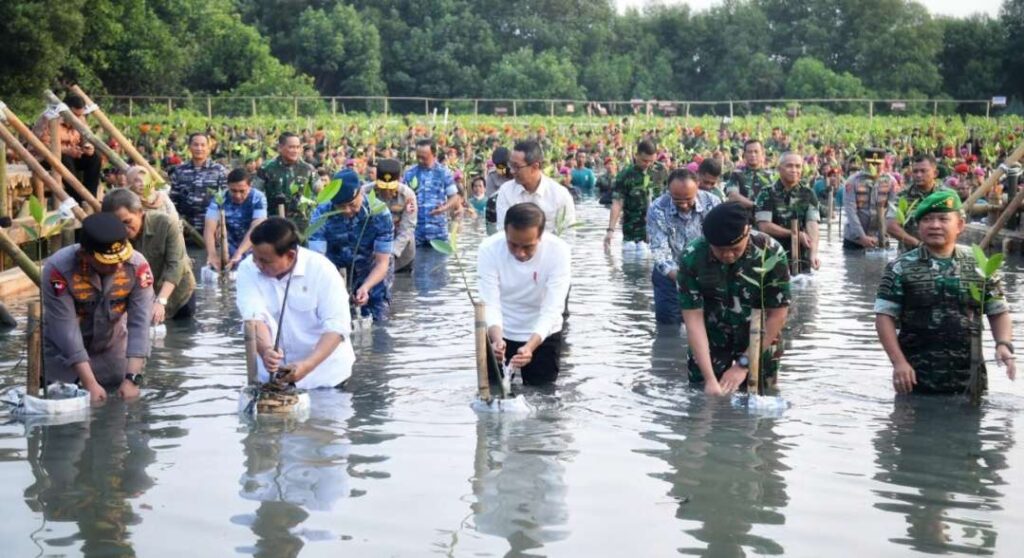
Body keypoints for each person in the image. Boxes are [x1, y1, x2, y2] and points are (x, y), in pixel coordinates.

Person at [875, 190, 1016, 396]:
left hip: (970, 379)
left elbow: (998, 311)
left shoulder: (977, 264)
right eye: (928, 219)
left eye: (943, 219)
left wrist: (1003, 345)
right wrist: (899, 363)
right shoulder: (900, 267)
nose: (935, 225)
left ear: (959, 225)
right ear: (918, 226)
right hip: (916, 378)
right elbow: (884, 317)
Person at [678, 202, 791, 395]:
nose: (728, 255)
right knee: (701, 396)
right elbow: (693, 320)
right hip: (712, 337)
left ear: (747, 232)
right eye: (720, 250)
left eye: (735, 249)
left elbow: (777, 315)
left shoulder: (770, 253)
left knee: (763, 400)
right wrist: (710, 379)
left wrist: (742, 365)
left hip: (760, 336)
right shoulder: (693, 256)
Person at [42, 213, 154, 403]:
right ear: (85, 255)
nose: (119, 266)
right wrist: (89, 383)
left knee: (116, 417)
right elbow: (66, 330)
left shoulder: (137, 266)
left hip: (111, 350)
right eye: (109, 262)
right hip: (62, 355)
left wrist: (133, 379)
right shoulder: (58, 270)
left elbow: (140, 324)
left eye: (122, 257)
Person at [236, 218, 354, 389]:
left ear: (290, 256)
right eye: (255, 258)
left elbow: (337, 327)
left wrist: (307, 365)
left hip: (325, 379)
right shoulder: (248, 269)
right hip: (272, 379)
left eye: (265, 261)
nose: (258, 265)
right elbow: (253, 317)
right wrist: (267, 351)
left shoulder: (322, 270)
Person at [478, 203, 572, 386]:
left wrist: (530, 347)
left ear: (541, 236)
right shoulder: (489, 249)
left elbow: (552, 309)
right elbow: (490, 302)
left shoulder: (559, 251)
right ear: (505, 233)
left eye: (528, 247)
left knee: (544, 396)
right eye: (512, 245)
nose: (519, 253)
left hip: (543, 334)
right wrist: (497, 339)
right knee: (494, 395)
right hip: (500, 330)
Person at [309, 169, 395, 322]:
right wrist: (336, 285)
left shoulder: (379, 213)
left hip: (371, 272)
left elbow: (382, 263)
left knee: (379, 322)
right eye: (340, 206)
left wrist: (366, 287)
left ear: (361, 192)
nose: (347, 211)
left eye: (351, 204)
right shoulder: (321, 213)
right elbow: (317, 260)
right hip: (334, 272)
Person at [103, 189, 196, 323]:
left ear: (140, 212)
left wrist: (161, 301)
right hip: (141, 297)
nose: (123, 229)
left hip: (178, 295)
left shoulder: (165, 224)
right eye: (116, 224)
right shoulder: (108, 235)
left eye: (127, 222)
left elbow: (176, 265)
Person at [647, 169, 721, 325]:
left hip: (707, 271)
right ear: (669, 191)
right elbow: (660, 251)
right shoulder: (657, 208)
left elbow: (720, 240)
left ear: (698, 187)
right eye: (677, 200)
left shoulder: (713, 203)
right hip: (669, 273)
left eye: (688, 199)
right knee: (668, 326)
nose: (684, 205)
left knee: (711, 322)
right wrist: (682, 277)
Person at [754, 152, 821, 273]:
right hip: (772, 257)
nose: (794, 170)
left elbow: (813, 225)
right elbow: (764, 226)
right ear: (779, 169)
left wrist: (813, 254)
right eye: (789, 166)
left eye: (798, 166)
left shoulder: (809, 193)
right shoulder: (767, 193)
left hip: (801, 258)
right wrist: (795, 234)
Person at [495, 140, 576, 235]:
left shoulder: (560, 195)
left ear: (535, 166)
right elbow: (502, 231)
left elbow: (568, 234)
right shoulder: (506, 191)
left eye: (516, 167)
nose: (512, 171)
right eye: (510, 165)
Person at [33, 94, 101, 199]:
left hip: (72, 155)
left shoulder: (81, 118)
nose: (77, 118)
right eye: (74, 115)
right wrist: (65, 151)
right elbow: (41, 145)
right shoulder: (49, 118)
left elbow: (86, 137)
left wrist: (87, 147)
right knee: (64, 159)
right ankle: (77, 198)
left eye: (79, 115)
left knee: (95, 158)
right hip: (45, 158)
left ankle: (91, 197)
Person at [204, 168, 268, 271]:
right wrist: (212, 254)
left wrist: (239, 253)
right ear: (228, 186)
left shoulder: (258, 197)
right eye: (233, 191)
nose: (238, 195)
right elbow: (209, 228)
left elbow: (257, 226)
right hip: (227, 245)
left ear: (250, 186)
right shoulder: (219, 198)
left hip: (252, 244)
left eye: (242, 191)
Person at [886, 154, 951, 251]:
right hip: (909, 256)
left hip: (940, 253)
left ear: (935, 173)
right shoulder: (902, 197)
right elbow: (891, 226)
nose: (918, 175)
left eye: (923, 171)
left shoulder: (946, 196)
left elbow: (957, 223)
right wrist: (917, 244)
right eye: (915, 171)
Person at [363, 158, 417, 272]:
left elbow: (407, 228)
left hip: (401, 255)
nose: (387, 192)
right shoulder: (365, 193)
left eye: (391, 189)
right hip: (371, 253)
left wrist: (392, 253)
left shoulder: (408, 196)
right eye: (383, 188)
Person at [168, 132, 228, 233]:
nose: (199, 148)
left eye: (203, 145)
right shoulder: (180, 171)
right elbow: (173, 200)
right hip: (185, 229)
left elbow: (226, 200)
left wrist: (221, 226)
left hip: (212, 230)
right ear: (189, 147)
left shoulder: (219, 171)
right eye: (195, 145)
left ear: (208, 148)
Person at [404, 138, 461, 245]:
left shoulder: (444, 173)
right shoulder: (410, 174)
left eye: (424, 158)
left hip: (438, 233)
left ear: (434, 155)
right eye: (418, 157)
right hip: (415, 234)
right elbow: (402, 198)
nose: (420, 160)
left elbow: (454, 197)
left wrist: (444, 208)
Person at [605, 140, 658, 250]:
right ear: (636, 155)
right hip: (632, 233)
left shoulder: (660, 172)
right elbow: (617, 203)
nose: (647, 164)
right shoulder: (625, 175)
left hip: (657, 233)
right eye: (644, 160)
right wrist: (610, 231)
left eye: (651, 161)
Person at [251, 132, 316, 219]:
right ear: (280, 148)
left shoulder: (307, 168)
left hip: (301, 220)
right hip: (274, 219)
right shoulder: (267, 168)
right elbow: (255, 194)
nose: (295, 151)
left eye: (298, 147)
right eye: (291, 147)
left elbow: (320, 191)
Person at [842, 149, 897, 250]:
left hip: (880, 239)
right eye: (870, 163)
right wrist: (862, 236)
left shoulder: (891, 182)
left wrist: (881, 235)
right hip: (855, 239)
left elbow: (891, 210)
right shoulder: (852, 181)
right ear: (864, 163)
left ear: (884, 163)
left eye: (877, 164)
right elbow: (850, 212)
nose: (874, 167)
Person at [725, 139, 773, 211]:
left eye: (756, 152)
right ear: (744, 155)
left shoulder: (771, 176)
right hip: (743, 217)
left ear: (762, 154)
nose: (753, 155)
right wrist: (755, 206)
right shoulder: (737, 174)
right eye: (749, 152)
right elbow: (732, 196)